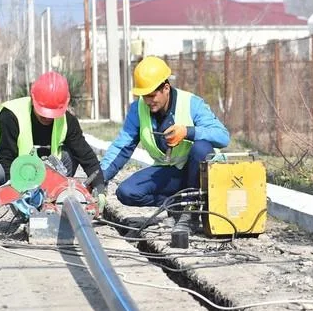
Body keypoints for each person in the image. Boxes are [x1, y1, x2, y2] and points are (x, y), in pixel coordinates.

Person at [99, 55, 230, 229]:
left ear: (166, 88)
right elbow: (122, 147)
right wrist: (100, 178)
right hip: (171, 173)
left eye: (152, 96)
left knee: (201, 148)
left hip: (199, 175)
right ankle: (177, 205)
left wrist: (188, 132)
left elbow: (223, 136)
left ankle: (191, 211)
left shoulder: (191, 103)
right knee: (126, 193)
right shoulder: (138, 109)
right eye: (144, 96)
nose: (148, 101)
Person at [0, 71, 106, 229]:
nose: (47, 118)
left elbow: (86, 156)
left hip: (33, 171)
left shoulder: (68, 121)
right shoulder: (11, 115)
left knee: (69, 156)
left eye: (52, 114)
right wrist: (20, 196)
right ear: (33, 99)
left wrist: (100, 188)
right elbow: (6, 159)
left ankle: (48, 204)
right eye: (43, 112)